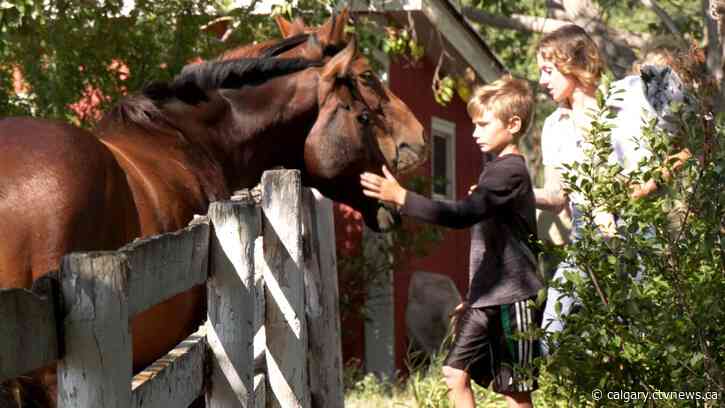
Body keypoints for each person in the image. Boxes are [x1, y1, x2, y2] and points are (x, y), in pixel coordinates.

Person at [360, 75, 542, 408]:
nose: (474, 133)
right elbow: (490, 240)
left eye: (484, 125)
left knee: (516, 391)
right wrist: (473, 296)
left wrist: (402, 197)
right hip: (486, 297)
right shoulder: (495, 171)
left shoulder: (510, 171)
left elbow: (460, 215)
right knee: (454, 372)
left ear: (513, 124)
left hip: (514, 297)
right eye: (473, 125)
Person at [533, 24, 607, 355]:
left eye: (548, 70)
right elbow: (555, 195)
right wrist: (509, 191)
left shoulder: (617, 106)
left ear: (572, 63)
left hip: (636, 235)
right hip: (584, 235)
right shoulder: (554, 126)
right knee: (551, 332)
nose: (542, 80)